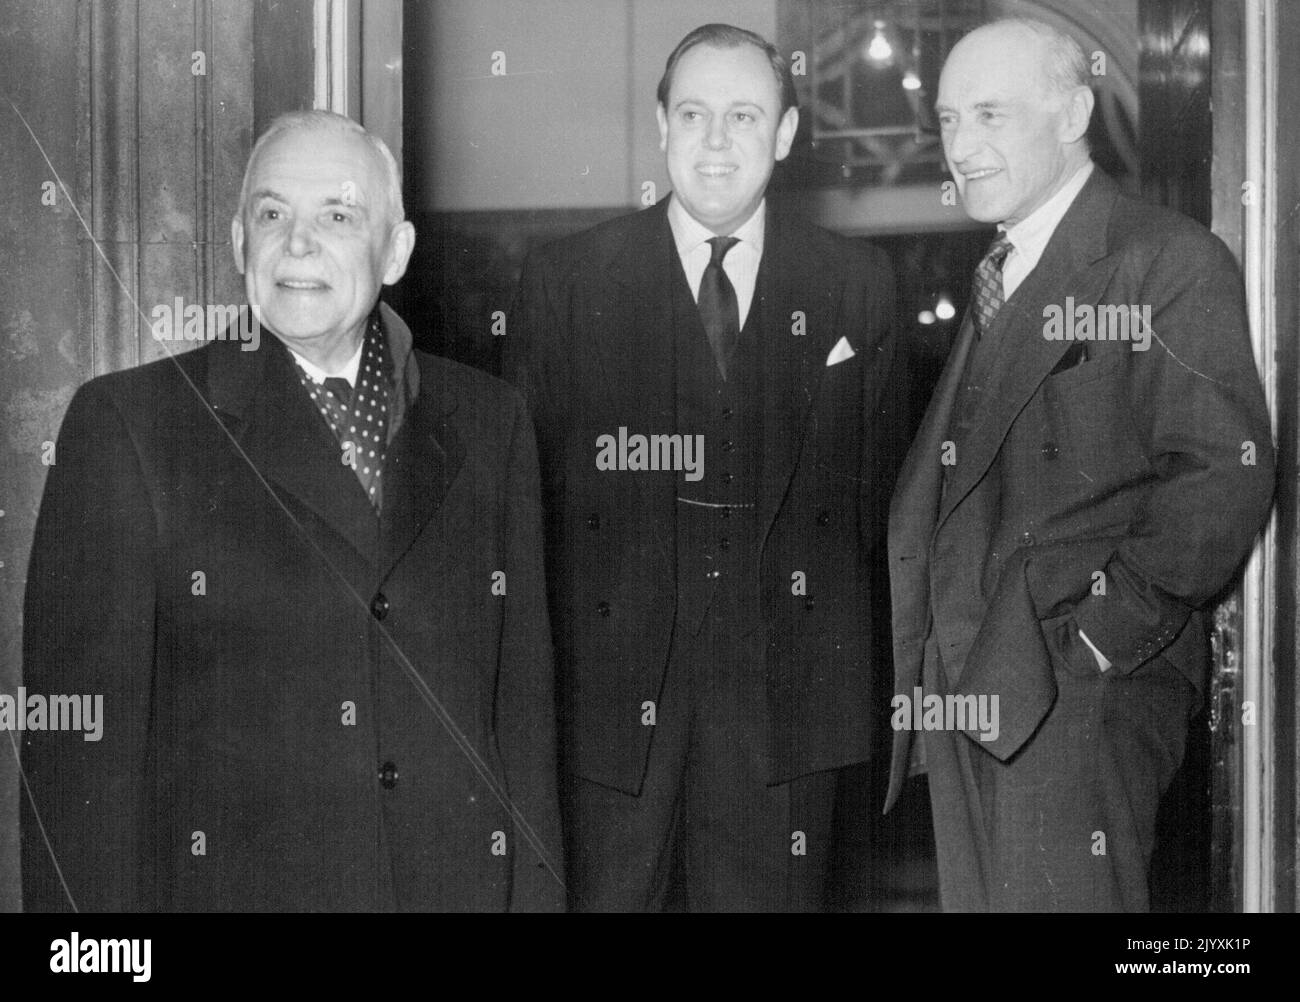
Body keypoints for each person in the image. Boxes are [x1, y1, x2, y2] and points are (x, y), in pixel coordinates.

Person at [20, 110, 563, 912]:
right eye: (273, 215)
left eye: (337, 216)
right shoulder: (132, 428)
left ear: (396, 250)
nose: (298, 244)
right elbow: (81, 777)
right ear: (241, 242)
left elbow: (522, 727)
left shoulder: (490, 422)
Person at [508, 23, 902, 911]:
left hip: (786, 722)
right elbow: (530, 507)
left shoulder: (857, 283)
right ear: (661, 126)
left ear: (787, 134)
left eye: (743, 115)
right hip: (607, 722)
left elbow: (873, 494)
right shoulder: (566, 283)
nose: (717, 142)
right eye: (694, 114)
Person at [885, 17, 1275, 911]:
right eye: (948, 120)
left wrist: (1095, 640)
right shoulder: (1004, 268)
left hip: (1073, 701)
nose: (962, 146)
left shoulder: (1163, 260)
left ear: (1073, 113)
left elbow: (1225, 471)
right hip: (974, 696)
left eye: (990, 113)